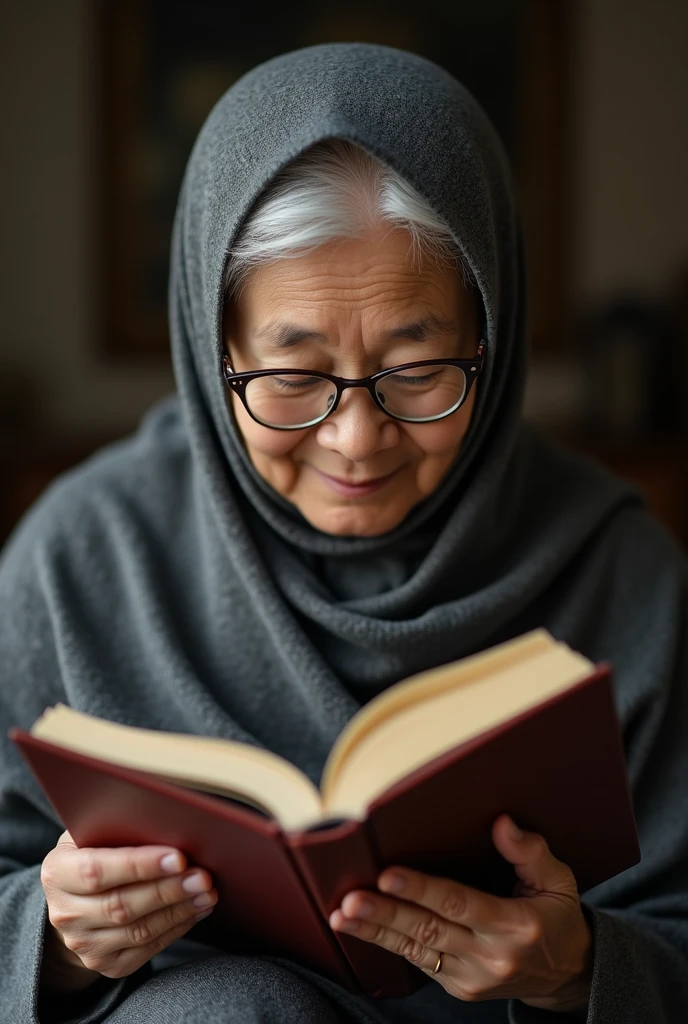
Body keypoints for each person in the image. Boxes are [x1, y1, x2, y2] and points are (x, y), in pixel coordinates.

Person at [0, 42, 687, 1024]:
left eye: (418, 370)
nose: (356, 438)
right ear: (213, 350)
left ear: (489, 338)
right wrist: (56, 936)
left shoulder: (620, 571)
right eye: (291, 376)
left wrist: (582, 968)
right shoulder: (79, 558)